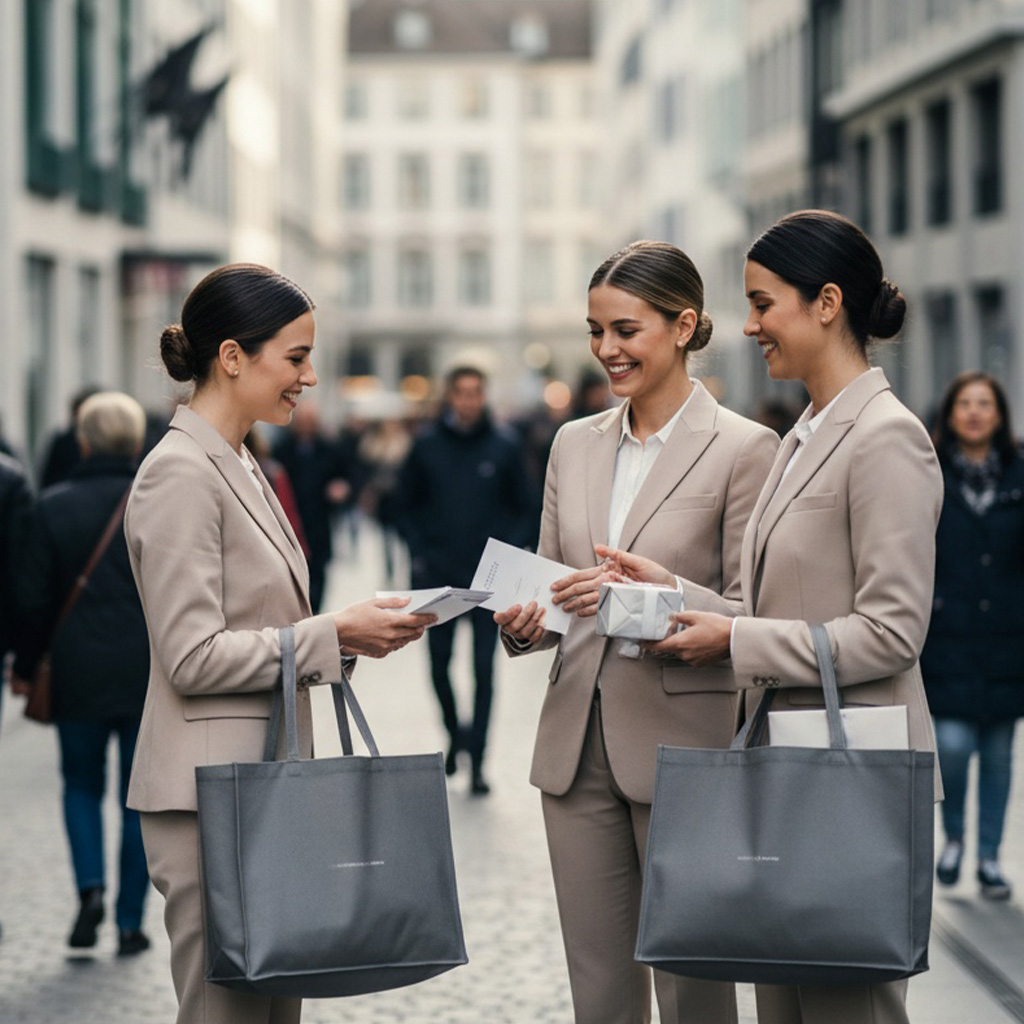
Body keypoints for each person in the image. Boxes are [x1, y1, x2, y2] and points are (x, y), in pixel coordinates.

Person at [597, 212, 943, 1024]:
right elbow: (777, 607)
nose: (748, 325)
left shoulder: (887, 437)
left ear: (827, 303)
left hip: (847, 777)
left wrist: (736, 637)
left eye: (762, 303)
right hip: (786, 765)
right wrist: (681, 595)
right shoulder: (801, 437)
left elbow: (893, 632)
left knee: (848, 1007)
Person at [125, 263, 435, 1024]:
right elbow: (192, 657)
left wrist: (349, 637)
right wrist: (334, 632)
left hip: (258, 784)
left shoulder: (239, 461)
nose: (310, 376)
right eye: (295, 357)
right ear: (233, 357)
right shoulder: (180, 472)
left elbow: (260, 623)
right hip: (210, 796)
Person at [495, 240, 779, 1024]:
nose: (606, 349)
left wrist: (663, 594)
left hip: (685, 745)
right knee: (599, 991)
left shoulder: (745, 448)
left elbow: (754, 613)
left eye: (626, 330)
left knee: (694, 988)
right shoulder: (572, 443)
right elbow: (554, 586)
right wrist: (525, 624)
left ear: (683, 326)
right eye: (596, 331)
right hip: (574, 747)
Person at [13, 392, 152, 955]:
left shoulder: (53, 505)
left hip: (76, 670)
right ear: (137, 443)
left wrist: (25, 666)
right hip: (148, 672)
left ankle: (90, 888)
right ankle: (129, 921)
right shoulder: (156, 500)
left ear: (83, 442)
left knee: (80, 784)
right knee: (139, 797)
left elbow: (31, 600)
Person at [397, 366, 535, 795]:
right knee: (438, 665)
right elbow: (403, 505)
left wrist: (508, 554)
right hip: (438, 577)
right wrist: (420, 551)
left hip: (488, 581)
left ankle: (477, 760)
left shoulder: (505, 446)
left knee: (483, 670)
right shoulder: (426, 445)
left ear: (484, 395)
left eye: (476, 392)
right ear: (450, 396)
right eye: (461, 393)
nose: (469, 401)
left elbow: (526, 507)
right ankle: (454, 732)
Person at [921, 371, 1024, 900]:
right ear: (951, 413)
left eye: (985, 403)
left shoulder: (1018, 474)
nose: (975, 412)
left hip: (1008, 639)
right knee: (955, 748)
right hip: (948, 638)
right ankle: (955, 836)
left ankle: (988, 858)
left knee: (1000, 756)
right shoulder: (930, 472)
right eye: (965, 403)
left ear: (1000, 414)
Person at [272, 402, 352, 611]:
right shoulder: (282, 449)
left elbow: (345, 475)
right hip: (290, 520)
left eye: (311, 421)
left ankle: (314, 611)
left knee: (318, 573)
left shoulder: (329, 449)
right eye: (303, 421)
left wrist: (341, 488)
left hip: (319, 521)